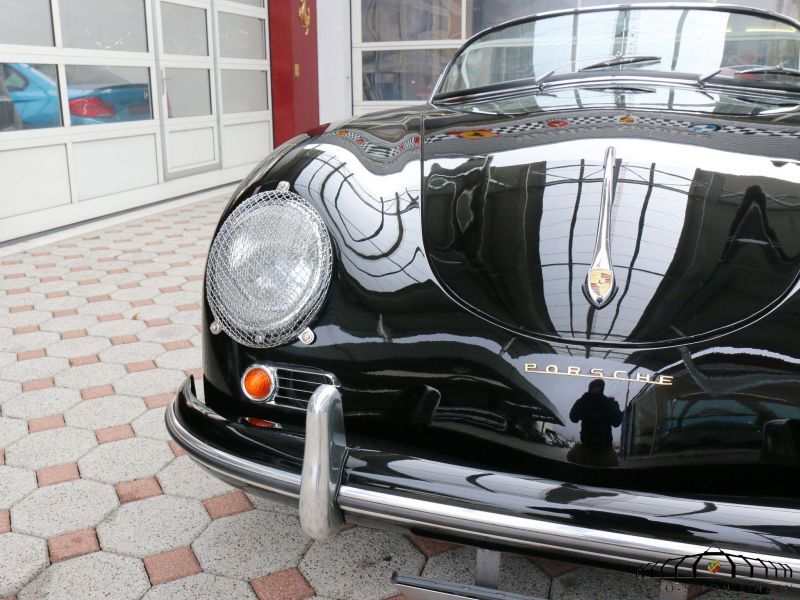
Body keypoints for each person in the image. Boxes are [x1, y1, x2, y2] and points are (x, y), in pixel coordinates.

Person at [566, 379, 623, 467]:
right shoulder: (586, 401)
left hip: (603, 450)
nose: (596, 390)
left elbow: (616, 422)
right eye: (594, 388)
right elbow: (573, 418)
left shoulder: (606, 402)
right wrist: (583, 401)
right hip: (590, 448)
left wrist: (607, 404)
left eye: (597, 387)